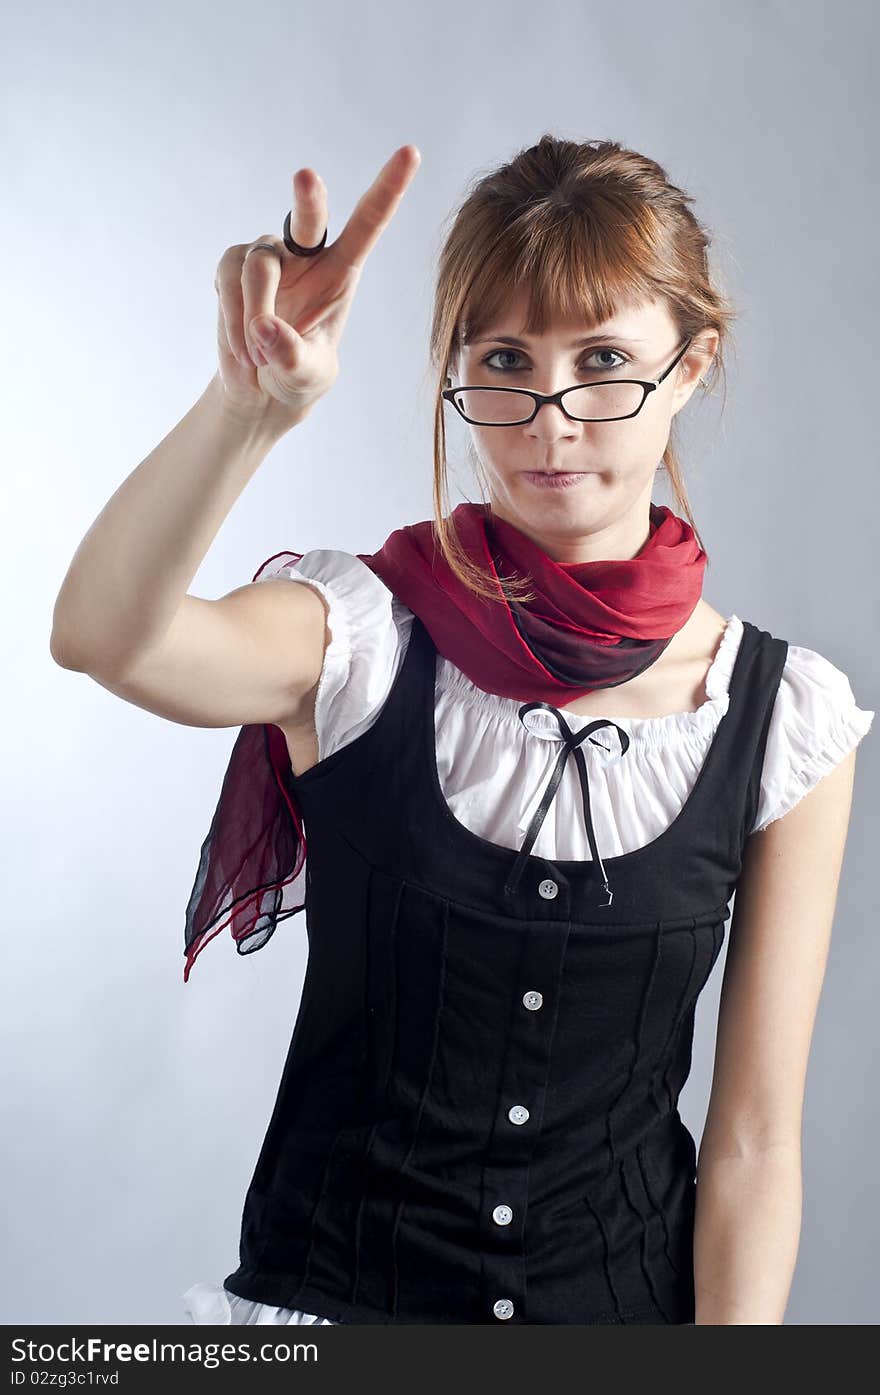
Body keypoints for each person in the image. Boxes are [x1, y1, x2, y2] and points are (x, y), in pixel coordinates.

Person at [51, 136, 873, 1327]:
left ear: (691, 368)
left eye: (601, 362)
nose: (549, 419)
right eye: (503, 360)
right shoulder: (359, 634)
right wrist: (246, 408)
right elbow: (104, 637)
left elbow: (750, 1142)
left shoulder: (780, 717)